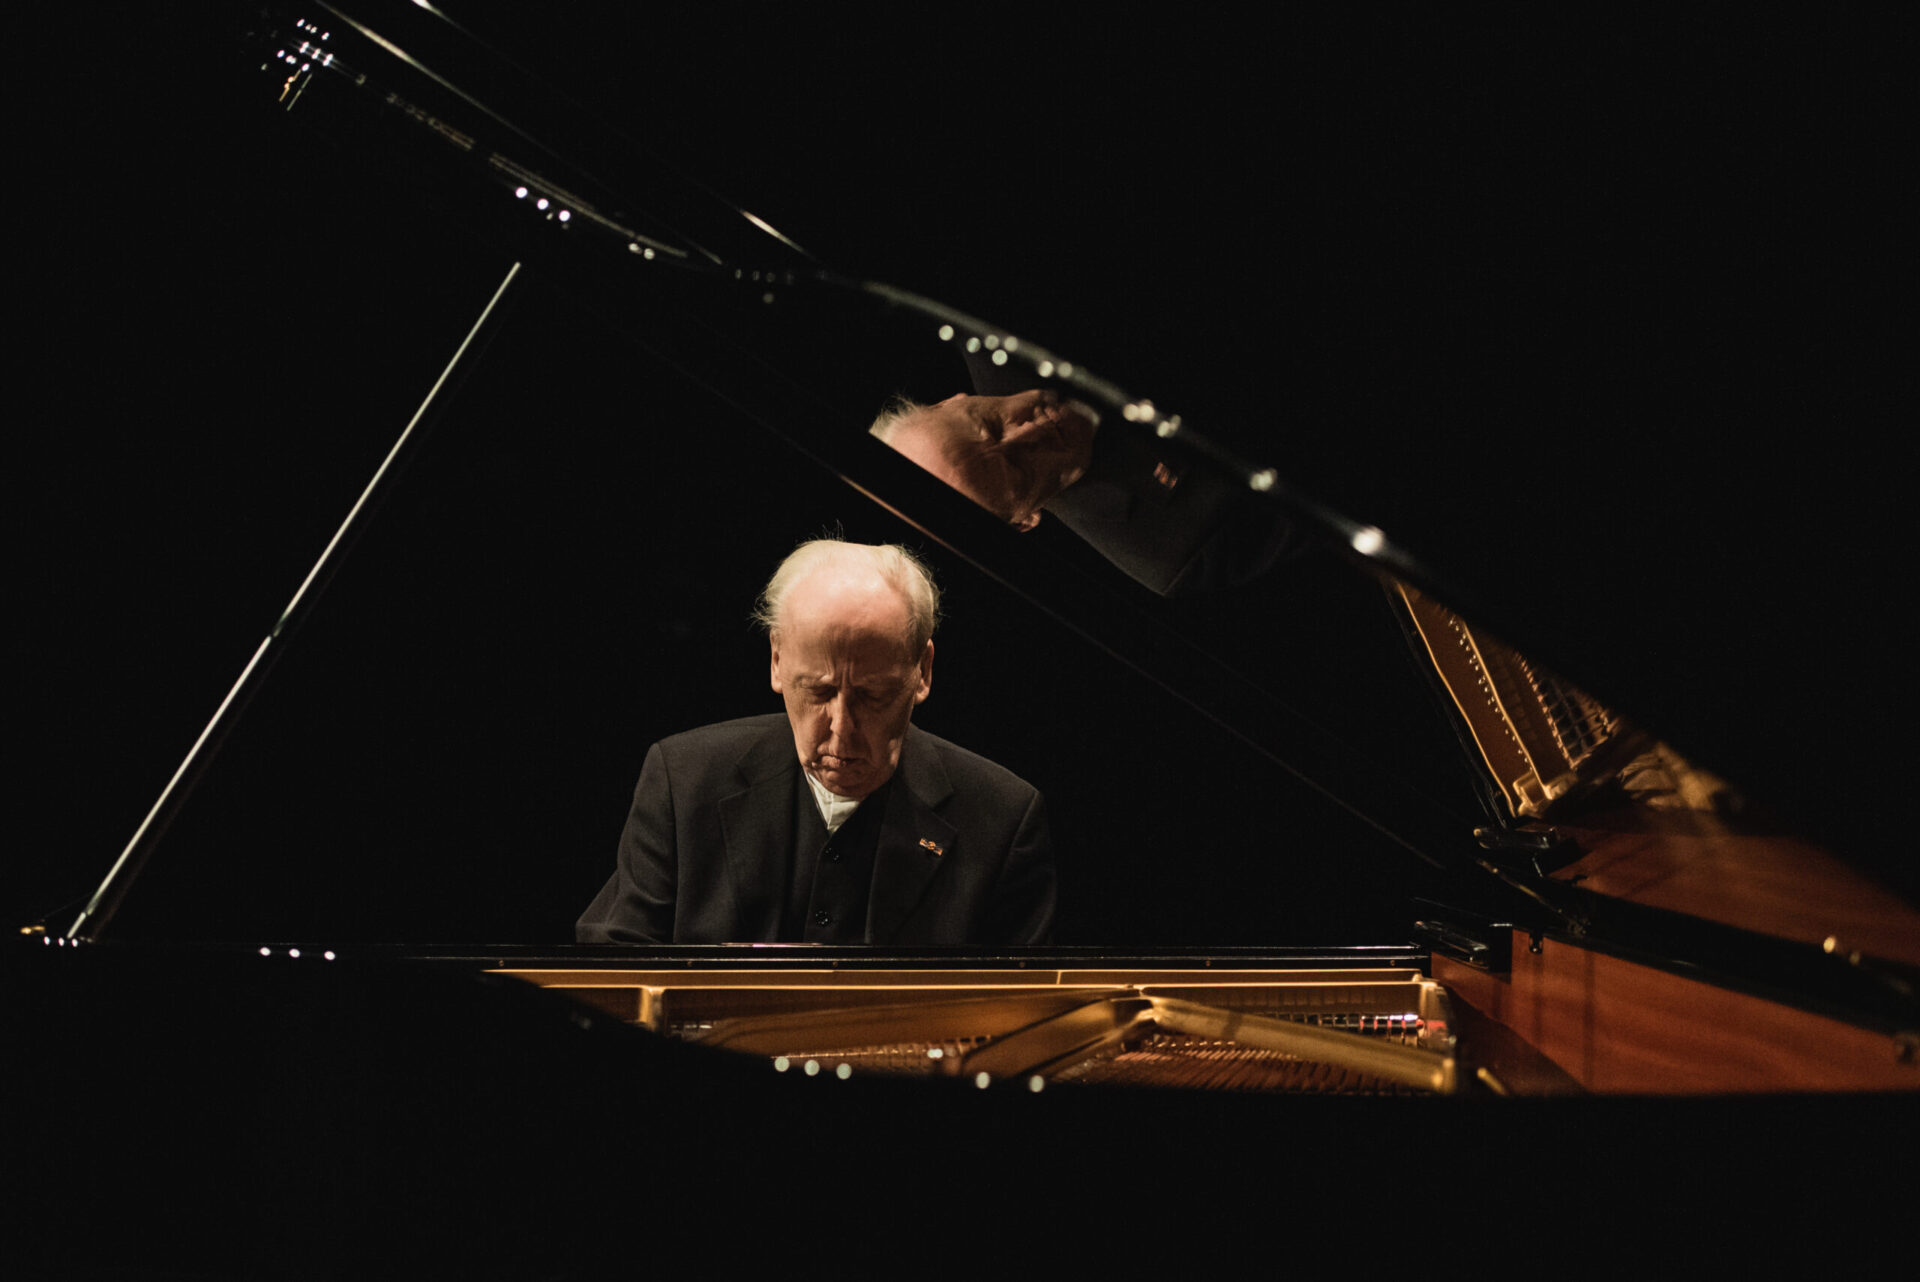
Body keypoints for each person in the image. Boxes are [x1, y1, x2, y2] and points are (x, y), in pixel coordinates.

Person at [577, 539, 1057, 945]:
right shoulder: (681, 781)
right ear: (776, 660)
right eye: (818, 691)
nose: (841, 729)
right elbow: (612, 970)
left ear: (923, 671)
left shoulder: (1004, 820)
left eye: (873, 695)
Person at [873, 388, 1304, 596]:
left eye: (989, 423)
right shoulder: (1175, 554)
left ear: (952, 400)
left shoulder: (987, 323)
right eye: (1019, 469)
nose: (1032, 430)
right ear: (1025, 522)